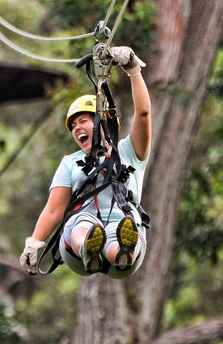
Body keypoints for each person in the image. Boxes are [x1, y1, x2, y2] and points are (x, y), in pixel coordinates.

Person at [20, 46, 150, 279]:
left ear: (103, 121)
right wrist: (34, 243)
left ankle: (121, 252)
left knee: (120, 229)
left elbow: (143, 114)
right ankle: (89, 249)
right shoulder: (71, 163)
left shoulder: (129, 152)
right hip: (77, 244)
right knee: (82, 221)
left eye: (83, 121)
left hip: (123, 225)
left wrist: (133, 70)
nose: (76, 128)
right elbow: (54, 210)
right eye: (73, 126)